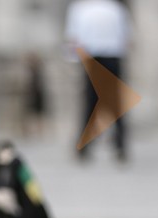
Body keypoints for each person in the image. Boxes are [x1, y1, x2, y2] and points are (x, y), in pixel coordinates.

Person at [65, 0, 131, 162]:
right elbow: (126, 35)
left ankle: (84, 146)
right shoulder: (116, 8)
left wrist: (73, 60)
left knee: (89, 103)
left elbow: (73, 37)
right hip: (113, 58)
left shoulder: (79, 9)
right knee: (115, 104)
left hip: (91, 57)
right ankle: (120, 145)